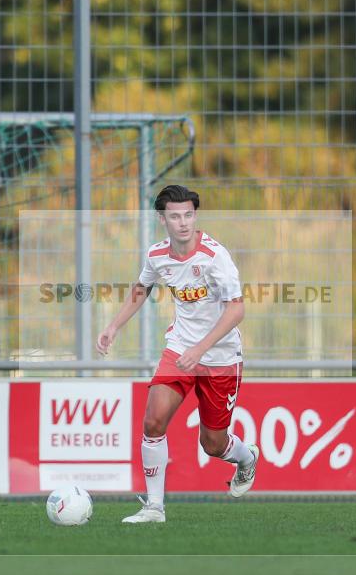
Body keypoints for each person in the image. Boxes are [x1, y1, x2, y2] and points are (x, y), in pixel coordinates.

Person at [96, 184, 257, 523]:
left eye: (188, 215)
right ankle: (154, 507)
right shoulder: (157, 255)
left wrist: (202, 349)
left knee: (213, 445)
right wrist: (113, 326)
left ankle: (246, 459)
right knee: (153, 420)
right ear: (162, 219)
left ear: (195, 216)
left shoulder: (215, 257)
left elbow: (237, 310)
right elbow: (142, 289)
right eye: (175, 216)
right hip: (180, 349)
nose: (183, 222)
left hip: (220, 359)